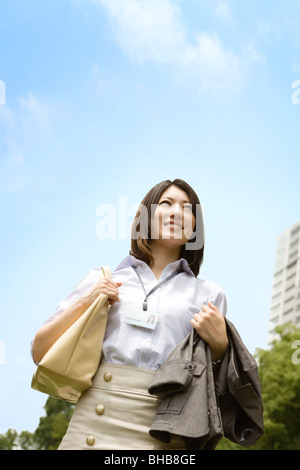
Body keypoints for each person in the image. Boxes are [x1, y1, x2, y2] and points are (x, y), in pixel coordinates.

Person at [31, 179, 229, 450]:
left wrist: (220, 347)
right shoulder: (104, 279)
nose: (177, 212)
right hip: (95, 422)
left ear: (195, 227)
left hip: (165, 429)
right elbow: (40, 351)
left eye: (187, 208)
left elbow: (214, 386)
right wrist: (88, 301)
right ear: (145, 216)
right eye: (166, 204)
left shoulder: (209, 295)